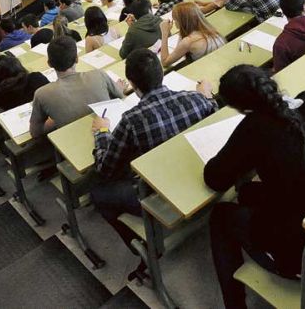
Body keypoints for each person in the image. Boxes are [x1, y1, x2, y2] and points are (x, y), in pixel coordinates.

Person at [205, 65, 305, 309]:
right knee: (247, 192)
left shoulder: (255, 127)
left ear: (242, 108)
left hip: (300, 254)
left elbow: (215, 178)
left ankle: (235, 304)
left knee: (219, 215)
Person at [91, 49, 218, 255]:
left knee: (98, 192)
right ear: (161, 72)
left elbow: (106, 169)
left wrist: (102, 132)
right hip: (198, 173)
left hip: (161, 191)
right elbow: (215, 116)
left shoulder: (131, 120)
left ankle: (143, 248)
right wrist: (207, 95)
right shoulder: (196, 99)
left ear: (132, 84)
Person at [28, 36, 126, 139]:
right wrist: (119, 88)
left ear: (49, 63)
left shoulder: (42, 94)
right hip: (109, 135)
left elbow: (35, 132)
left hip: (72, 142)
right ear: (77, 59)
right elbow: (121, 96)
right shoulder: (99, 74)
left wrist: (56, 118)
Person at [159, 2, 225, 67]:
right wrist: (182, 30)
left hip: (205, 68)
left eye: (175, 20)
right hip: (216, 64)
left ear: (181, 21)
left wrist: (164, 33)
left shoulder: (188, 41)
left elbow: (165, 62)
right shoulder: (211, 30)